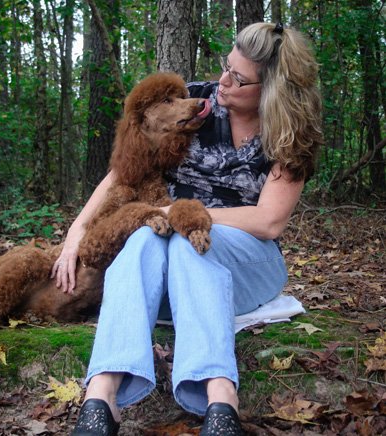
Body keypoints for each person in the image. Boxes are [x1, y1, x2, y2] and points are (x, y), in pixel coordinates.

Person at [52, 22, 323, 436]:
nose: (223, 81)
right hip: (167, 263)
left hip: (248, 262)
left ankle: (220, 396)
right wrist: (76, 234)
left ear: (272, 90)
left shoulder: (290, 132)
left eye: (238, 79)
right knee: (144, 236)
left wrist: (181, 212)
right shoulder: (194, 103)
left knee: (186, 243)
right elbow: (124, 172)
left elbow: (268, 221)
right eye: (226, 66)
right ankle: (101, 395)